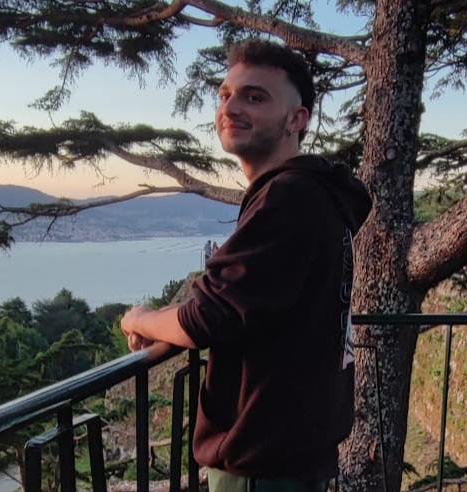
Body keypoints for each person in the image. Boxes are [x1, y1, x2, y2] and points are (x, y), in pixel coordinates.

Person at [121, 39, 371, 492]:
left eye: (254, 97)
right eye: (225, 95)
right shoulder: (316, 196)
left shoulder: (288, 198)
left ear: (296, 120)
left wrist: (141, 319)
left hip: (262, 463)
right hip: (296, 453)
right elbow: (244, 298)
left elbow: (208, 316)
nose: (230, 107)